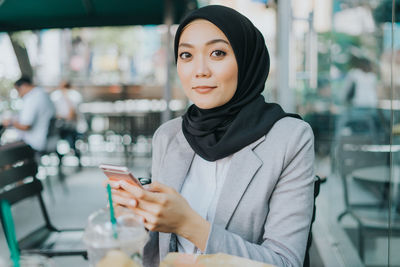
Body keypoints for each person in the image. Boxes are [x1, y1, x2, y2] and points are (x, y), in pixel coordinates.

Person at [110, 5, 315, 267]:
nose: (200, 70)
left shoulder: (290, 138)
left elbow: (285, 262)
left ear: (246, 59)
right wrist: (135, 217)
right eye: (186, 55)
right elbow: (157, 250)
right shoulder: (169, 135)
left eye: (217, 53)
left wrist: (189, 225)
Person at [2, 76, 55, 153]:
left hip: (33, 143)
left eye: (18, 90)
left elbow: (25, 126)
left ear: (24, 86)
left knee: (4, 152)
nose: (19, 95)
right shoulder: (43, 94)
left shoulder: (31, 98)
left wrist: (10, 122)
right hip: (49, 140)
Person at [50, 80, 83, 157]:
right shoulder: (56, 96)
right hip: (59, 126)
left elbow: (71, 115)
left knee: (72, 142)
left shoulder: (74, 96)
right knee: (59, 143)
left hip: (72, 126)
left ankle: (75, 155)